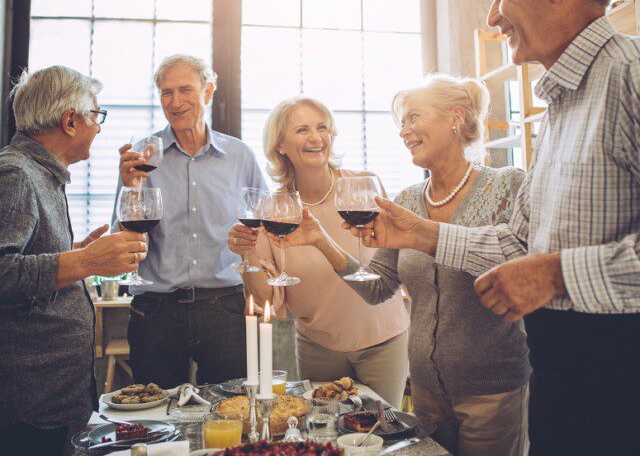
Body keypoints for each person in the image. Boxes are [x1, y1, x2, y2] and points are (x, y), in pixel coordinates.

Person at [351, 0, 640, 454]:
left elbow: (544, 265)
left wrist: (559, 275)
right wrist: (422, 234)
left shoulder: (630, 77)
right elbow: (519, 243)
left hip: (621, 378)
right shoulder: (559, 106)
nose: (491, 15)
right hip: (558, 375)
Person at [265, 81, 530, 455]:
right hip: (426, 390)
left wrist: (426, 235)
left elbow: (520, 264)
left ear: (455, 119)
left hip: (490, 388)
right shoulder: (407, 199)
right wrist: (322, 240)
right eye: (401, 123)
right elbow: (378, 287)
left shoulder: (506, 184)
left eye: (413, 118)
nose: (403, 131)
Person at [0, 66, 148, 456]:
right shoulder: (15, 174)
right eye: (95, 116)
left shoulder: (42, 173)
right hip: (31, 403)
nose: (98, 128)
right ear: (70, 121)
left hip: (57, 393)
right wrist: (83, 261)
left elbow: (28, 257)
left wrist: (80, 251)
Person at [228, 96, 409, 409]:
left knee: (380, 433)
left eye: (322, 128)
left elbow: (390, 267)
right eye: (302, 130)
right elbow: (265, 300)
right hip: (319, 348)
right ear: (280, 145)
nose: (315, 137)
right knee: (325, 432)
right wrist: (248, 253)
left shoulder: (363, 188)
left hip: (383, 341)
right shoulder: (272, 211)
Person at [113, 54, 267, 388]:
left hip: (224, 307)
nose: (176, 101)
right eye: (167, 92)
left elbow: (265, 225)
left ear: (208, 92)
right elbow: (120, 240)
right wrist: (131, 190)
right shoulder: (143, 155)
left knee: (232, 410)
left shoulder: (240, 156)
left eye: (186, 89)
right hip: (155, 311)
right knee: (156, 419)